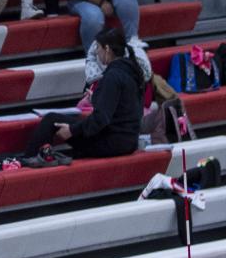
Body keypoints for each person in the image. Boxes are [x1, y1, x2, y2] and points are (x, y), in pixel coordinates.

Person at [26, 30, 142, 162]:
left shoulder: (112, 76)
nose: (97, 52)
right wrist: (97, 98)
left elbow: (101, 119)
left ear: (107, 49)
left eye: (98, 47)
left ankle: (28, 160)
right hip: (129, 140)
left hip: (112, 143)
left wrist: (72, 130)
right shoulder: (131, 72)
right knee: (76, 121)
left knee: (51, 119)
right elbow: (124, 108)